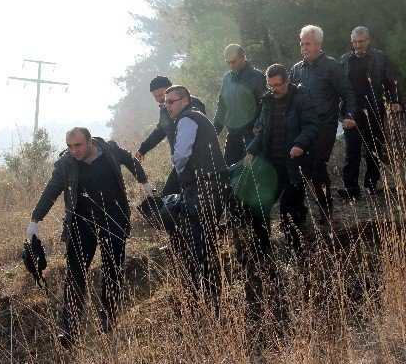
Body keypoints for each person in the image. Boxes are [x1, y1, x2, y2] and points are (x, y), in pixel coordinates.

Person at [26, 127, 153, 346]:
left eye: (78, 145)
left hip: (114, 218)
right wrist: (35, 220)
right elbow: (52, 190)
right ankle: (70, 329)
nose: (74, 150)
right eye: (69, 146)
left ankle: (108, 319)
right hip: (81, 224)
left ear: (90, 141)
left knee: (112, 269)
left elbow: (130, 160)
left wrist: (145, 182)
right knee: (75, 274)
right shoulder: (66, 164)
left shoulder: (110, 150)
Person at [244, 64, 319, 260]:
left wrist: (300, 144)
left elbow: (312, 126)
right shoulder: (268, 101)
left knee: (288, 211)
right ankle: (260, 251)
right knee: (259, 206)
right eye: (270, 85)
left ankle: (297, 252)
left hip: (294, 164)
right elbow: (264, 132)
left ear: (288, 82)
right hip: (272, 165)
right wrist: (251, 150)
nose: (274, 89)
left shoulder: (302, 98)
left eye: (278, 85)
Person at [165, 85, 230, 302]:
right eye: (165, 102)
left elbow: (182, 153)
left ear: (185, 100)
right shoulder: (197, 116)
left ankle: (198, 292)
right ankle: (209, 289)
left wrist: (179, 167)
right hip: (213, 185)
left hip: (203, 187)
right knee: (205, 239)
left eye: (171, 101)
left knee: (198, 241)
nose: (167, 106)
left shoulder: (187, 118)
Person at [290, 25, 357, 222]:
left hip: (325, 125)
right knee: (299, 166)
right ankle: (299, 211)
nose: (303, 47)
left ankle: (326, 210)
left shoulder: (332, 66)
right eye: (301, 44)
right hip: (303, 127)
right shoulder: (296, 69)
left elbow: (348, 93)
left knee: (317, 164)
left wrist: (349, 115)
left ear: (319, 44)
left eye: (308, 43)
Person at [337, 26, 401, 201]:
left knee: (374, 148)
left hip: (374, 109)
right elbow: (338, 87)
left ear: (368, 40)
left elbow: (392, 81)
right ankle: (351, 188)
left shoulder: (380, 58)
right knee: (352, 150)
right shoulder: (344, 60)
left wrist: (395, 100)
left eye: (361, 41)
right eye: (355, 42)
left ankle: (371, 184)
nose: (358, 45)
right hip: (352, 111)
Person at [134, 76, 206, 196]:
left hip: (198, 160)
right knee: (171, 197)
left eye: (161, 94)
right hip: (181, 163)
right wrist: (143, 149)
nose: (159, 99)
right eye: (155, 97)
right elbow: (160, 131)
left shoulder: (191, 103)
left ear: (170, 89)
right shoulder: (164, 111)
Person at [213, 44, 266, 166]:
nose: (231, 66)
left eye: (233, 62)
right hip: (233, 134)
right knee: (229, 174)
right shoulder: (227, 78)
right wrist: (213, 131)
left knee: (248, 173)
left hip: (251, 135)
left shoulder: (258, 78)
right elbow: (222, 107)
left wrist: (258, 126)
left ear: (243, 56)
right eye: (228, 63)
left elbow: (265, 108)